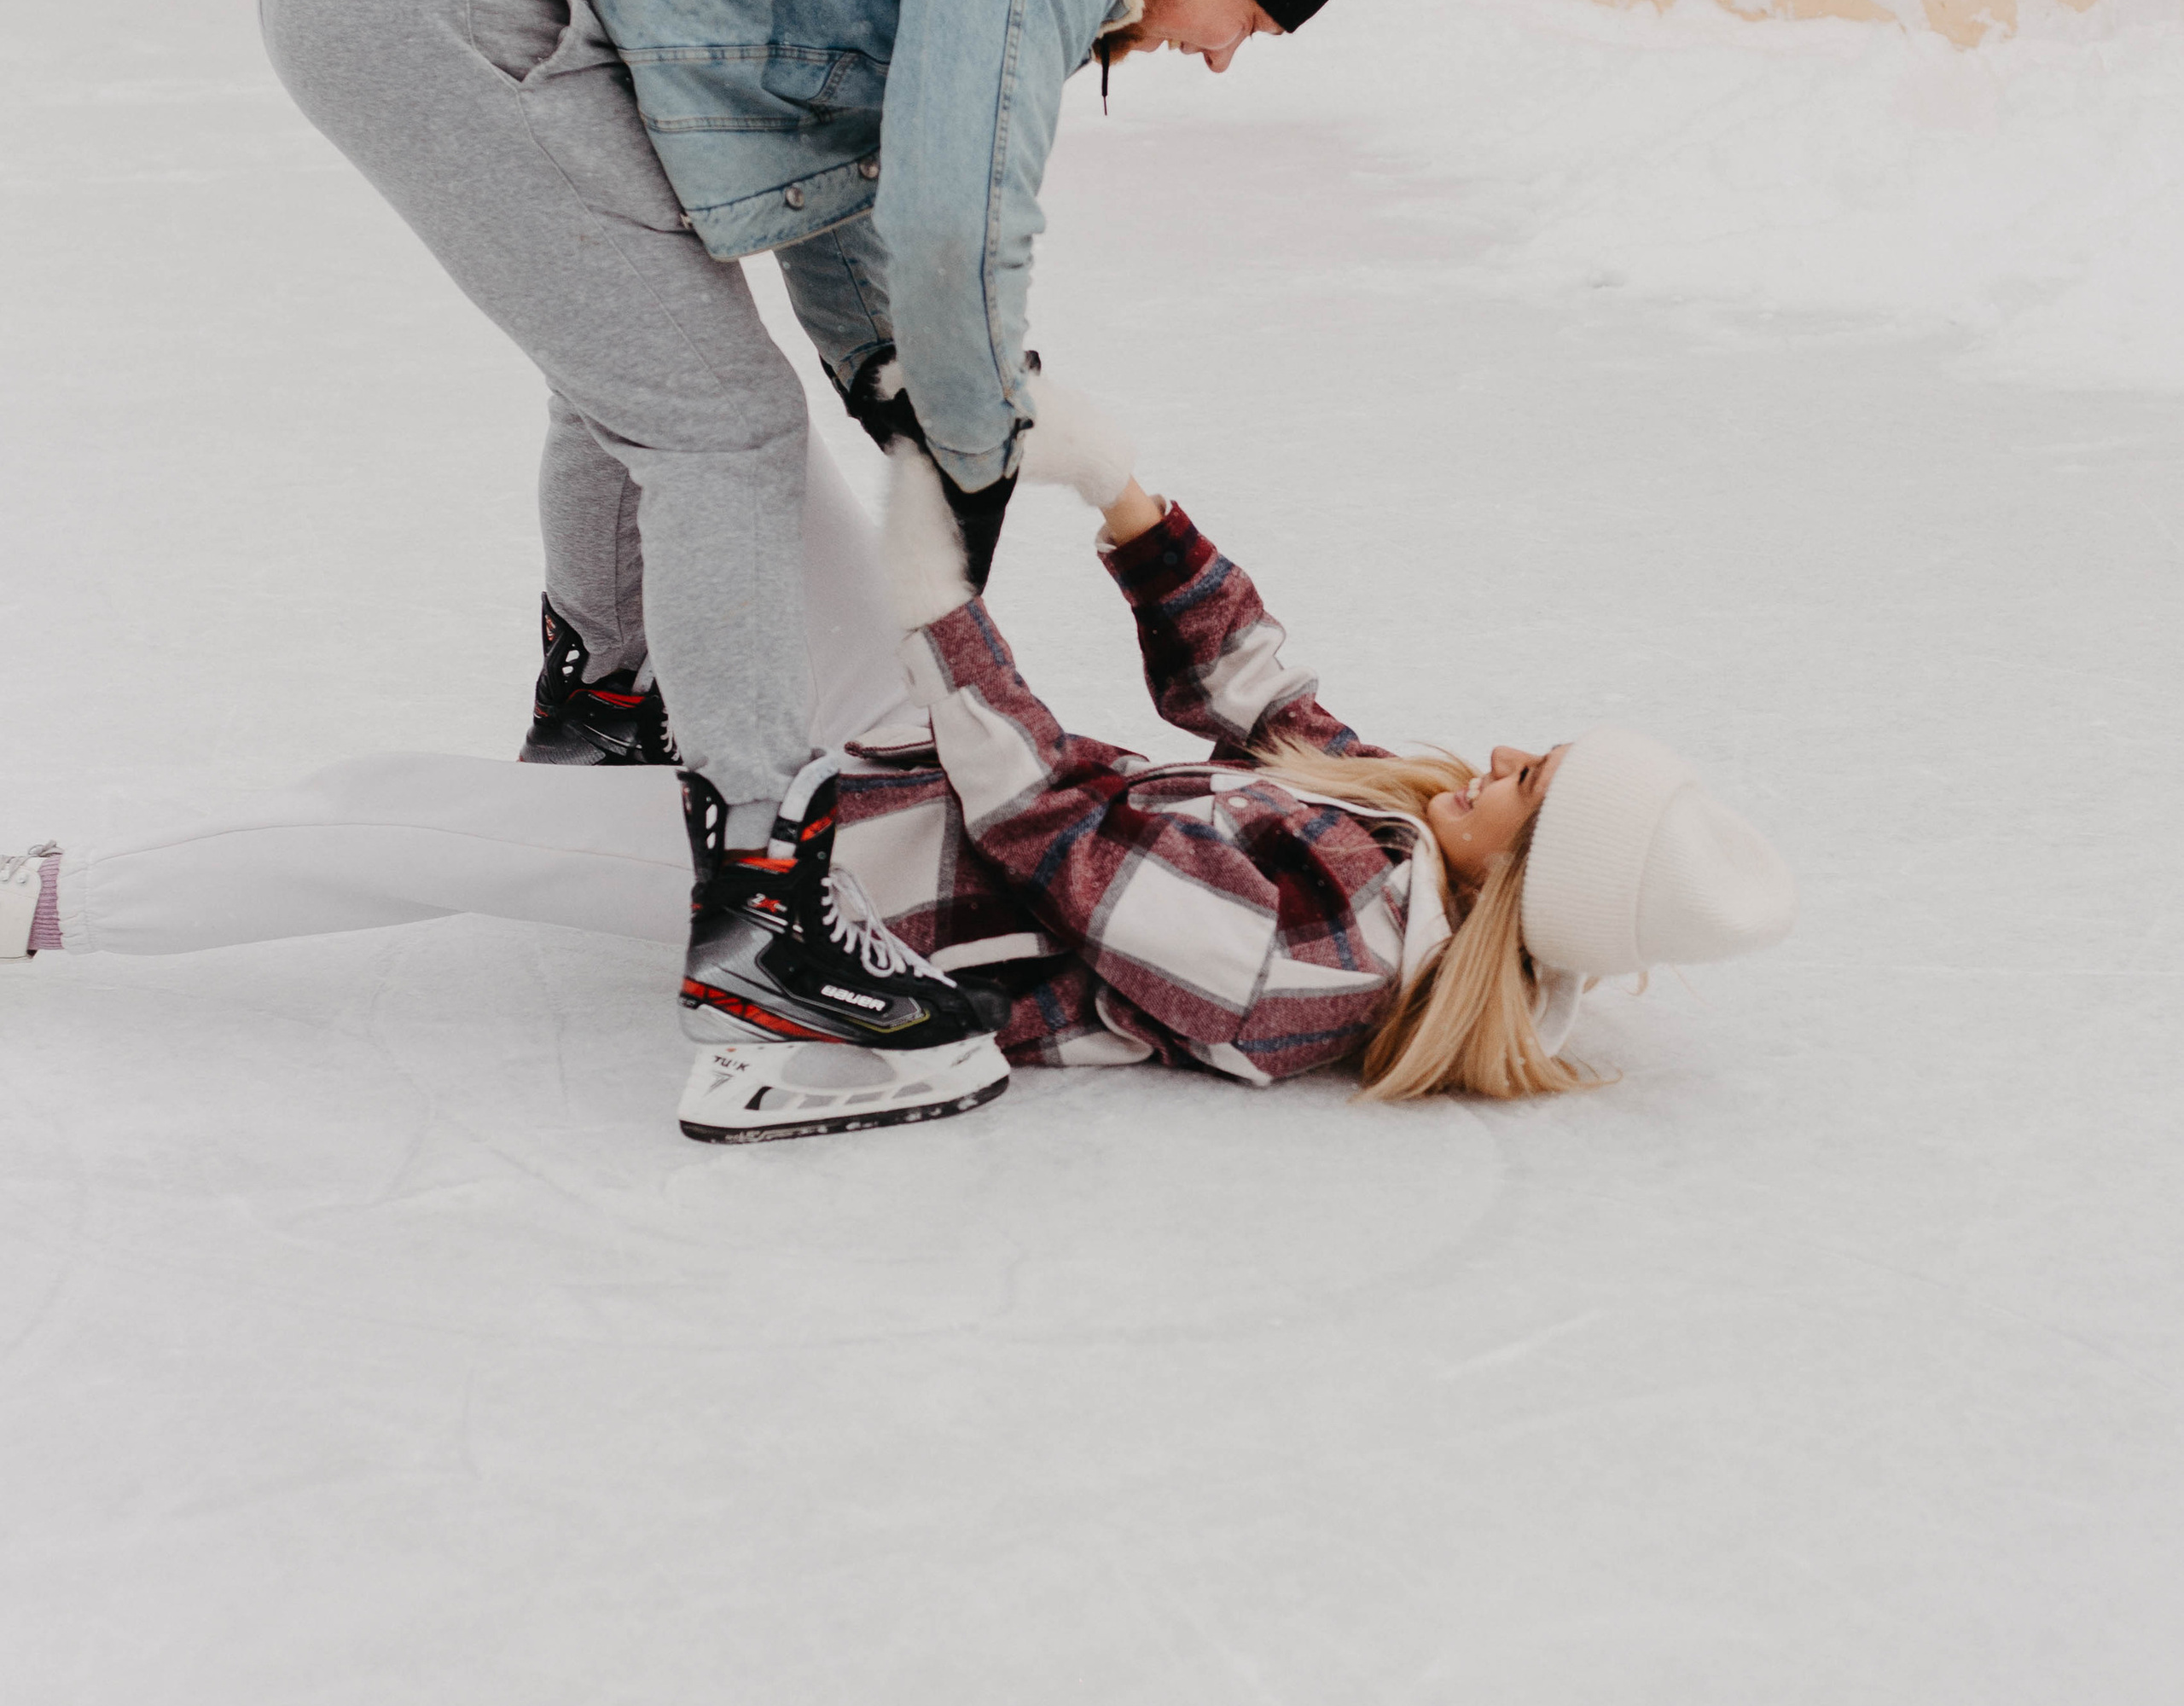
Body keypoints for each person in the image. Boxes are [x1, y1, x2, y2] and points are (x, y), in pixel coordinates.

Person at [256, 0, 1380, 1134]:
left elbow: (834, 162)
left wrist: (891, 378)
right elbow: (953, 207)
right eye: (1256, 24)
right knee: (715, 425)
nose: (1225, 58)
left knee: (649, 363)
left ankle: (608, 707)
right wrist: (970, 443)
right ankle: (762, 918)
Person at [4, 386, 1794, 1146]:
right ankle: (613, 634)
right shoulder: (1401, 838)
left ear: (1534, 877)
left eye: (1528, 779)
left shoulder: (1306, 978)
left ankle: (39, 909)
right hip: (891, 765)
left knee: (402, 823)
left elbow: (1057, 829)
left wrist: (944, 614)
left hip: (848, 897)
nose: (1489, 754)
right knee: (714, 415)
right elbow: (1266, 704)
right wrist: (1127, 501)